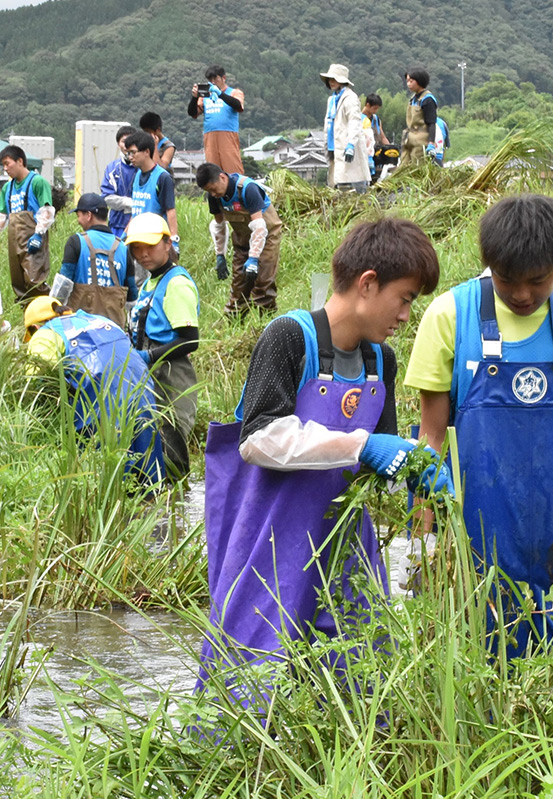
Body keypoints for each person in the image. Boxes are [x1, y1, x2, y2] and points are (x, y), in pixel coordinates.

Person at [199, 217, 444, 705]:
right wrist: (361, 446)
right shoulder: (289, 336)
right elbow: (259, 438)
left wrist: (416, 469)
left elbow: (383, 451)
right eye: (405, 298)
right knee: (249, 666)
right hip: (269, 535)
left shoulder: (381, 361)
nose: (405, 315)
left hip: (345, 536)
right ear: (367, 283)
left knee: (361, 665)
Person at [405, 194, 553, 655]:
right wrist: (421, 539)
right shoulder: (450, 315)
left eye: (538, 280)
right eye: (507, 280)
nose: (523, 294)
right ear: (487, 263)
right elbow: (430, 437)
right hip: (477, 536)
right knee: (480, 650)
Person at [24, 297, 165, 487]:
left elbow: (32, 383)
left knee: (108, 482)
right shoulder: (101, 320)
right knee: (150, 479)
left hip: (103, 403)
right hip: (143, 392)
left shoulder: (45, 334)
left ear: (34, 328)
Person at [125, 213, 199, 481]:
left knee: (171, 445)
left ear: (168, 244)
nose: (142, 254)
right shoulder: (150, 282)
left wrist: (147, 356)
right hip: (150, 371)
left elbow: (190, 339)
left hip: (171, 374)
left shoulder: (176, 283)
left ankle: (175, 515)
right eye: (136, 248)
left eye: (150, 246)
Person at [196, 164, 283, 316]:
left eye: (213, 188)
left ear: (222, 177)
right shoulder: (215, 198)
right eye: (209, 191)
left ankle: (265, 322)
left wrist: (254, 258)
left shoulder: (247, 189)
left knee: (263, 281)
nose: (213, 193)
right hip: (242, 240)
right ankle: (234, 321)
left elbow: (259, 226)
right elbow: (219, 226)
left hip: (267, 235)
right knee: (239, 283)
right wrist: (220, 254)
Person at [50, 192, 137, 327]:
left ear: (88, 215)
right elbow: (132, 296)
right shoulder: (123, 248)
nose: (78, 220)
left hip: (80, 329)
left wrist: (53, 307)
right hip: (114, 331)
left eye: (78, 215)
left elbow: (63, 284)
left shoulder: (76, 241)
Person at [0, 145, 56, 303]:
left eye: (7, 163)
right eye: (3, 165)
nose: (5, 169)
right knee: (19, 284)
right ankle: (28, 320)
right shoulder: (7, 188)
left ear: (20, 161)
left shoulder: (37, 182)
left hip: (33, 239)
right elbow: (1, 216)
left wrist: (38, 234)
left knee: (34, 280)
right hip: (15, 239)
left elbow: (47, 211)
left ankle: (50, 314)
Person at [124, 131, 180, 262]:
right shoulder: (137, 175)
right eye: (128, 153)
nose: (130, 157)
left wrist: (174, 240)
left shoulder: (162, 177)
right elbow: (136, 210)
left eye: (133, 152)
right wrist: (124, 235)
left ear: (146, 152)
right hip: (137, 238)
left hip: (154, 242)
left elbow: (170, 210)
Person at [187, 65, 245, 175]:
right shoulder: (205, 96)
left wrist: (220, 94)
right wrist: (194, 97)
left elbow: (238, 105)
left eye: (215, 79)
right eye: (210, 80)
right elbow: (192, 113)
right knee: (213, 171)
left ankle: (237, 190)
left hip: (228, 134)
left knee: (233, 169)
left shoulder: (234, 92)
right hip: (210, 136)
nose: (213, 82)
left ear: (224, 78)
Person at [321, 63, 369, 192]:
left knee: (351, 182)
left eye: (334, 79)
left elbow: (354, 122)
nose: (331, 82)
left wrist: (351, 145)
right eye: (330, 79)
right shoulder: (332, 100)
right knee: (336, 183)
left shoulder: (350, 98)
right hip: (333, 145)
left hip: (346, 145)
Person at [100, 125, 138, 240]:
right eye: (123, 141)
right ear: (118, 144)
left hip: (139, 223)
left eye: (130, 141)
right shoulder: (112, 168)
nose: (126, 145)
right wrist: (129, 202)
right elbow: (106, 197)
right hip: (117, 223)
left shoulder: (143, 167)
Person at [402, 68, 438, 166]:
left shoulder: (428, 99)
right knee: (403, 167)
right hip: (409, 137)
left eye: (411, 81)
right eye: (407, 81)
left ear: (419, 81)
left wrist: (431, 143)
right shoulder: (413, 99)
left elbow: (431, 123)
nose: (408, 84)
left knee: (417, 168)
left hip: (421, 140)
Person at [361, 94, 391, 184]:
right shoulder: (358, 118)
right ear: (367, 105)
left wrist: (390, 148)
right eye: (374, 108)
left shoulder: (376, 119)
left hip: (376, 154)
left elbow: (382, 137)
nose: (376, 111)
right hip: (364, 155)